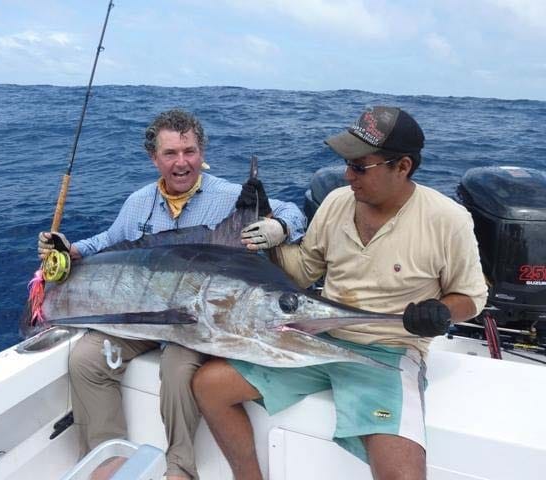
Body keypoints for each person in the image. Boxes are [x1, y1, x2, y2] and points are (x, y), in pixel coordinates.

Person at [192, 106, 489, 480]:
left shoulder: (448, 219)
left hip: (388, 351)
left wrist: (441, 312)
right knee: (209, 385)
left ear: (403, 166)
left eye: (360, 167)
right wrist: (270, 230)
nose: (348, 176)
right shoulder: (335, 202)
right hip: (318, 335)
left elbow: (471, 298)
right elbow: (302, 271)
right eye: (347, 164)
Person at [37, 109, 306, 480]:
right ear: (154, 159)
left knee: (177, 368)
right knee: (86, 358)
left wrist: (280, 226)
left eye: (190, 152)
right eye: (170, 154)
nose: (182, 163)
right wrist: (69, 249)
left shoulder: (226, 195)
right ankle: (107, 459)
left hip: (198, 320)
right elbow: (107, 242)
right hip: (146, 314)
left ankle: (180, 469)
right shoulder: (139, 202)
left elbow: (294, 212)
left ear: (202, 152)